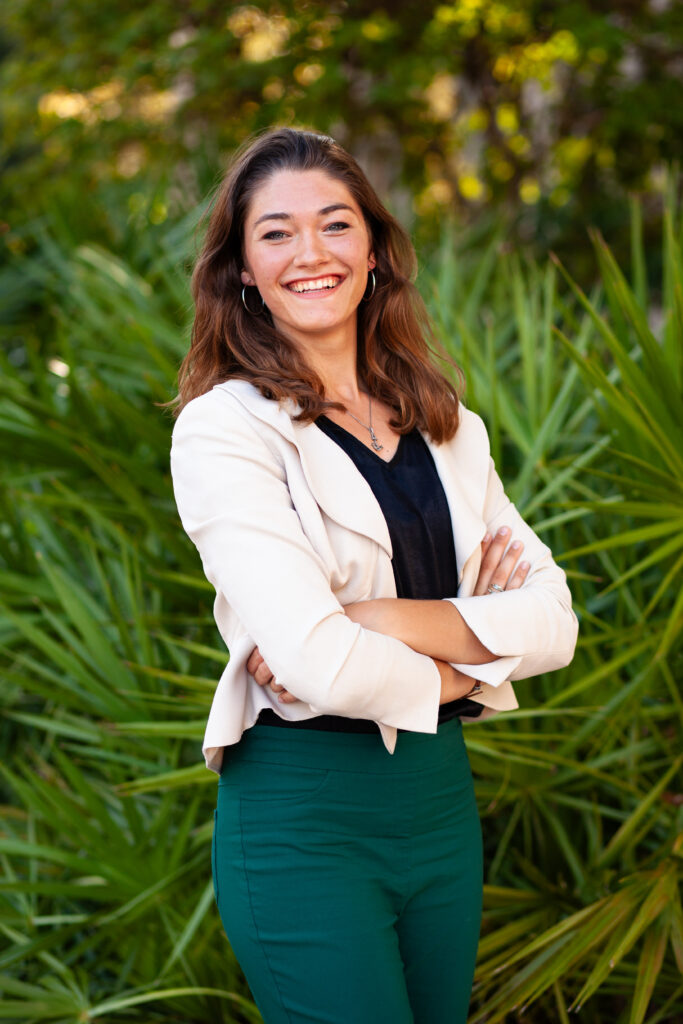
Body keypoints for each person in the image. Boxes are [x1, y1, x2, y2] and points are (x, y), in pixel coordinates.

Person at [169, 126, 578, 1024]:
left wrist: (378, 616)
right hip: (302, 811)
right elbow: (317, 666)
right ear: (241, 267)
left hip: (437, 804)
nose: (309, 253)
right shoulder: (225, 429)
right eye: (275, 232)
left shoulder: (448, 425)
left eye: (334, 224)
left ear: (374, 251)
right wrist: (472, 661)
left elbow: (553, 623)